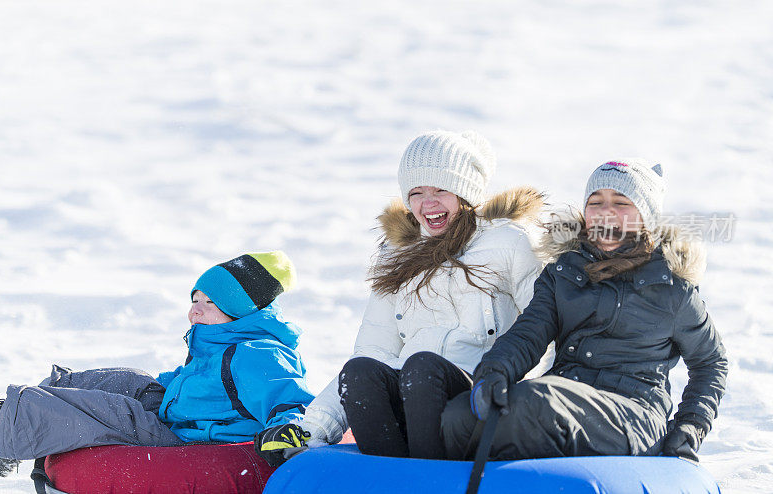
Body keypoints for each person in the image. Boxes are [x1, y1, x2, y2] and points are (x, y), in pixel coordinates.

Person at [254, 130, 545, 466]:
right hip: (413, 397)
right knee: (360, 372)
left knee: (422, 368)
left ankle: (432, 480)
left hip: (479, 396)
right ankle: (389, 478)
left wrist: (536, 408)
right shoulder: (398, 256)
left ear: (466, 194)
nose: (428, 203)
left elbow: (541, 329)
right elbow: (373, 349)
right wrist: (312, 427)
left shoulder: (509, 243)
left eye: (441, 190)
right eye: (416, 192)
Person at [441, 159, 728, 462]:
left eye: (621, 202)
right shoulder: (563, 273)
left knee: (537, 404)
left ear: (645, 217)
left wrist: (691, 425)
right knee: (459, 415)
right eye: (595, 202)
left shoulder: (672, 289)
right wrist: (495, 370)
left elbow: (711, 362)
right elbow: (528, 333)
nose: (606, 212)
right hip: (565, 393)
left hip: (634, 412)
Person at [0, 251, 314, 479]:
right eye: (194, 300)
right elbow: (195, 384)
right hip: (182, 419)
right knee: (130, 381)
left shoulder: (258, 353)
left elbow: (290, 400)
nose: (195, 310)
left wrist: (287, 429)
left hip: (199, 443)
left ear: (241, 311)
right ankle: (9, 420)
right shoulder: (218, 341)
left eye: (209, 303)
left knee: (116, 411)